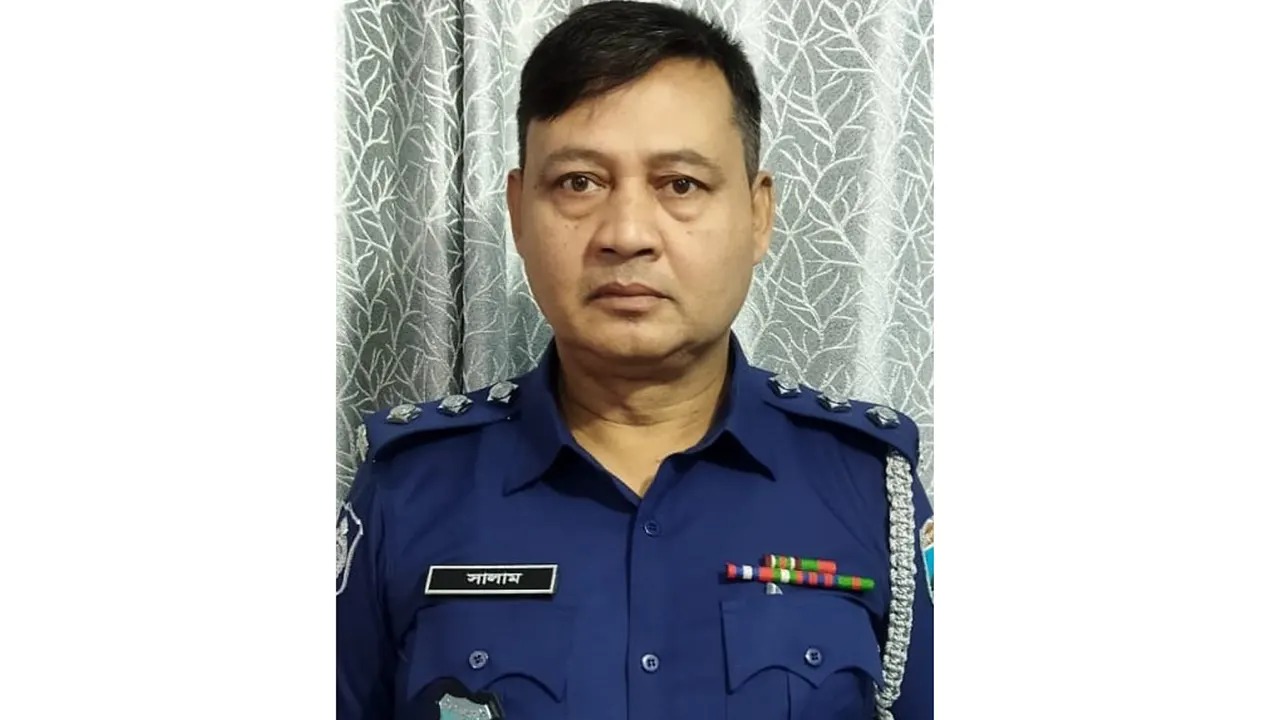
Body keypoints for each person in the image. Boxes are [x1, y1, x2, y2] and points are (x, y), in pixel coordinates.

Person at [335, 2, 934, 718]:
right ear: (519, 213)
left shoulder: (870, 489)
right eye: (578, 183)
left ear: (757, 214)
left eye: (680, 184)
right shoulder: (408, 489)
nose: (625, 233)